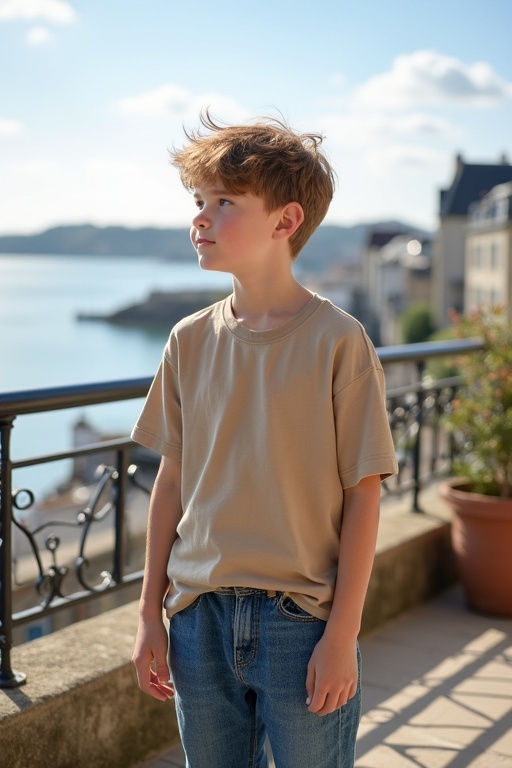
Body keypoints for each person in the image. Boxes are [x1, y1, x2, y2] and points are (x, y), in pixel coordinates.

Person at [131, 111, 398, 768]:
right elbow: (172, 483)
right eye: (198, 201)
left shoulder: (339, 341)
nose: (200, 218)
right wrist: (147, 617)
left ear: (285, 221)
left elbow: (364, 496)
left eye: (223, 203)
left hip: (300, 625)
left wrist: (343, 635)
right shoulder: (188, 340)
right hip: (198, 620)